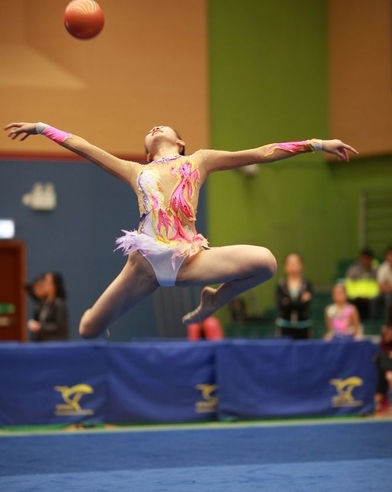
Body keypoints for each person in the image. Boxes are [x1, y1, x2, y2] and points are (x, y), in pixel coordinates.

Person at [4, 121, 357, 339]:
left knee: (266, 262)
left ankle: (214, 300)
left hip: (190, 260)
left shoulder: (198, 161)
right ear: (146, 152)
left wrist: (318, 144)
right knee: (87, 329)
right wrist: (41, 128)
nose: (156, 127)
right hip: (144, 265)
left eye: (164, 126)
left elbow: (261, 153)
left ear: (181, 142)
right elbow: (85, 148)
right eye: (150, 129)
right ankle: (112, 313)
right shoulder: (135, 170)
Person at [275, 253, 313, 339]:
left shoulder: (307, 284)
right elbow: (281, 304)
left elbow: (307, 304)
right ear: (285, 266)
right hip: (285, 325)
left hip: (303, 325)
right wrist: (300, 301)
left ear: (301, 265)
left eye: (296, 263)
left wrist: (289, 302)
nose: (293, 266)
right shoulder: (281, 285)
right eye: (290, 263)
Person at [27, 272, 69, 341]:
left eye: (47, 282)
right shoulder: (43, 303)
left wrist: (40, 327)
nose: (45, 285)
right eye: (44, 282)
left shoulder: (59, 304)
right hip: (43, 341)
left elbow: (60, 327)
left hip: (55, 342)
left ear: (55, 286)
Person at [374, 298, 392, 412]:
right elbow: (382, 347)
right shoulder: (388, 327)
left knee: (383, 369)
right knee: (382, 358)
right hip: (391, 359)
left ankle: (378, 398)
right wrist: (387, 340)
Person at [344, 247, 379, 320]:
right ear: (360, 258)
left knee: (376, 301)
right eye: (364, 258)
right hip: (356, 298)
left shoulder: (376, 270)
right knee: (352, 303)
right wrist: (358, 295)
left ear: (372, 259)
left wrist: (368, 296)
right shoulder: (353, 270)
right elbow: (348, 286)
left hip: (370, 299)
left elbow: (377, 286)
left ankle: (373, 324)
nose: (366, 261)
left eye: (368, 258)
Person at [375, 246, 392, 317]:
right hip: (386, 293)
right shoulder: (382, 268)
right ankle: (374, 321)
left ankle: (389, 319)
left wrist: (389, 287)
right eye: (389, 255)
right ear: (386, 257)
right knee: (374, 300)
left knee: (389, 297)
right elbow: (380, 287)